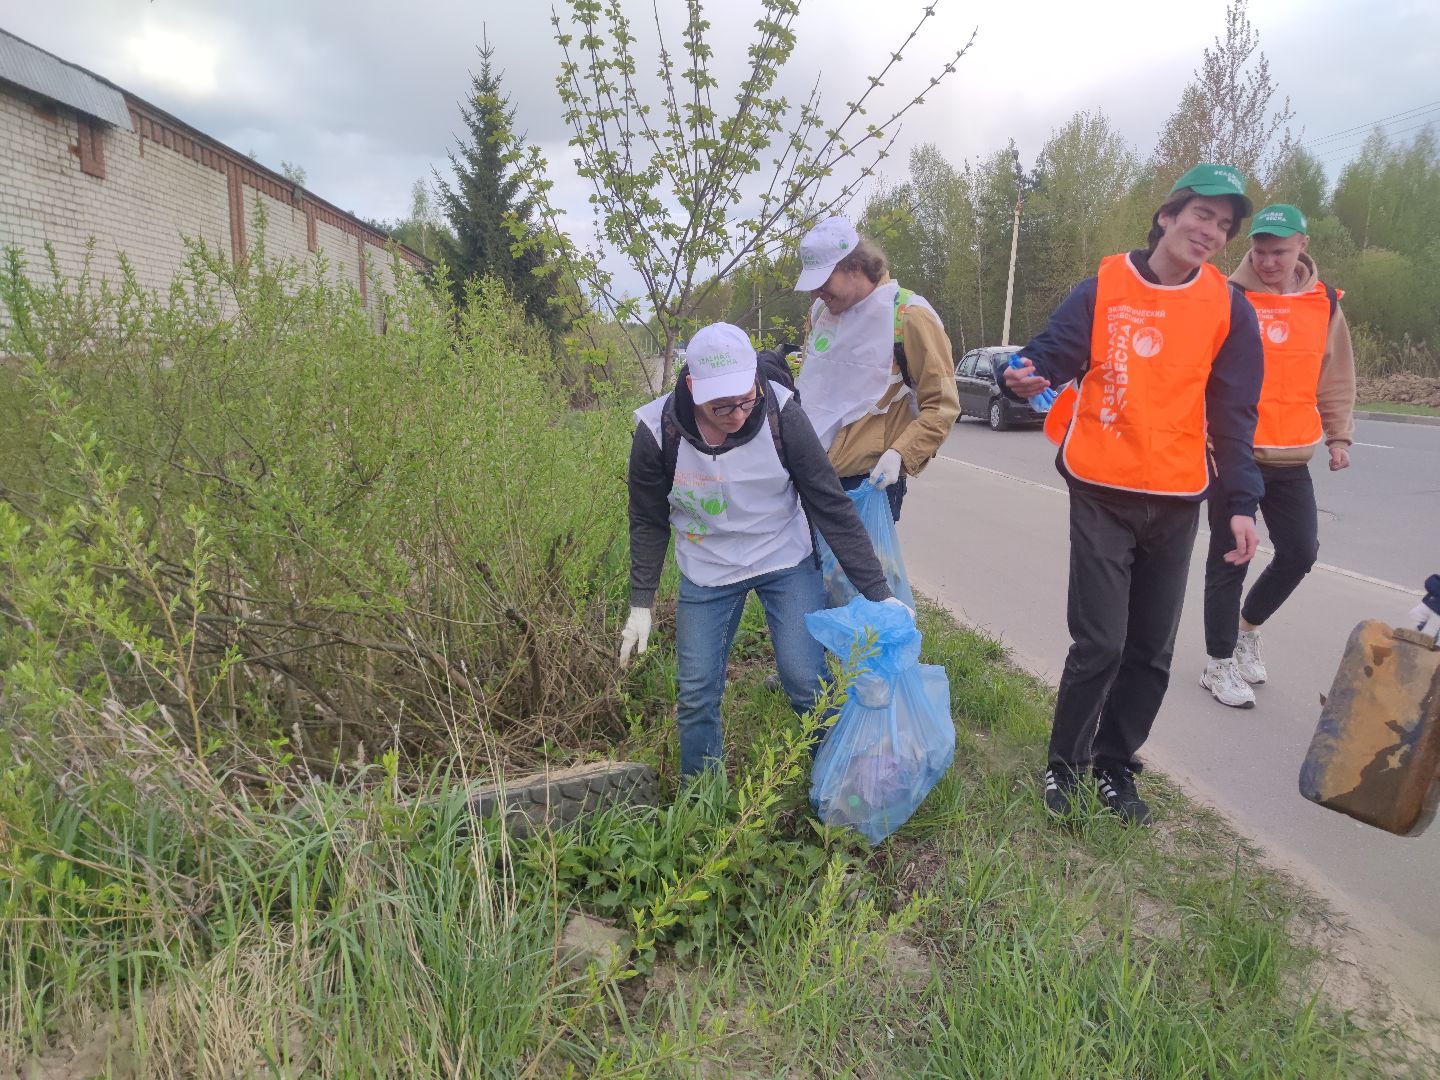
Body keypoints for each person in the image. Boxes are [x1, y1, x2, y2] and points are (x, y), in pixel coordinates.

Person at [1003, 164, 1265, 826]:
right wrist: (1019, 377)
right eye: (1203, 215)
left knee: (1150, 650)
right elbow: (1047, 358)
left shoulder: (1228, 308)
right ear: (1168, 215)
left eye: (1224, 226)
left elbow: (1234, 415)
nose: (1212, 232)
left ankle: (1115, 765)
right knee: (1101, 643)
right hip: (1101, 489)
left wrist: (1240, 503)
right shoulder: (1104, 288)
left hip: (1177, 497)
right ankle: (1063, 766)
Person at [619, 322, 908, 780]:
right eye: (721, 405)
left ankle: (835, 784)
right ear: (693, 388)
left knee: (804, 680)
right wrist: (641, 601)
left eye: (745, 397)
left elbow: (827, 502)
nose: (737, 413)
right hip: (707, 570)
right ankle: (702, 800)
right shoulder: (657, 433)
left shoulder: (782, 415)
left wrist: (877, 589)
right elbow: (648, 520)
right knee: (696, 692)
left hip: (783, 559)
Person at [1199, 204, 1357, 708]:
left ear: (1302, 247)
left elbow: (1335, 375)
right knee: (1230, 559)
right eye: (1261, 251)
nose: (1268, 261)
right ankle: (1218, 663)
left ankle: (1247, 630)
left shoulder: (1324, 304)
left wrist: (1339, 436)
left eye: (1280, 252)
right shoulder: (1228, 296)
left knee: (1299, 552)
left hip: (1292, 455)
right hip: (1233, 451)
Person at [792, 217, 959, 523]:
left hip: (865, 484)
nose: (816, 294)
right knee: (815, 571)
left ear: (854, 267)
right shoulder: (820, 313)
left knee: (861, 572)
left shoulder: (908, 316)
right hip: (810, 476)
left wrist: (900, 453)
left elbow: (942, 406)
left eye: (823, 282)